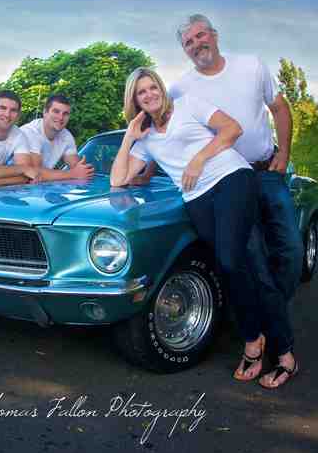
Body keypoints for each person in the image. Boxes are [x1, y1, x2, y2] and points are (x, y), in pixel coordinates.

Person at [111, 68, 298, 389]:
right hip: (197, 199)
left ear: (161, 88)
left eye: (152, 87)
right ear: (135, 100)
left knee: (230, 260)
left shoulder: (188, 104)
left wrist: (198, 159)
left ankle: (270, 349)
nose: (149, 94)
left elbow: (232, 129)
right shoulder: (146, 138)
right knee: (246, 265)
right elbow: (118, 179)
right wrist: (129, 136)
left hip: (231, 179)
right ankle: (267, 342)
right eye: (141, 92)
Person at [169, 14, 302, 388]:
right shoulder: (181, 89)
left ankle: (268, 315)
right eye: (188, 42)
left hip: (264, 171)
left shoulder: (251, 66)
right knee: (252, 260)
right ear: (184, 50)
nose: (197, 44)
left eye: (201, 35)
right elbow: (169, 132)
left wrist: (284, 153)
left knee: (290, 251)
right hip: (225, 181)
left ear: (214, 35)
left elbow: (279, 108)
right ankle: (274, 338)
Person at [19, 94, 94, 180]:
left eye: (65, 114)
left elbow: (76, 166)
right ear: (45, 112)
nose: (61, 117)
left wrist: (83, 170)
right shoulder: (31, 132)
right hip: (11, 183)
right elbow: (34, 172)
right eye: (56, 111)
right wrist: (72, 174)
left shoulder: (66, 136)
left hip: (34, 185)